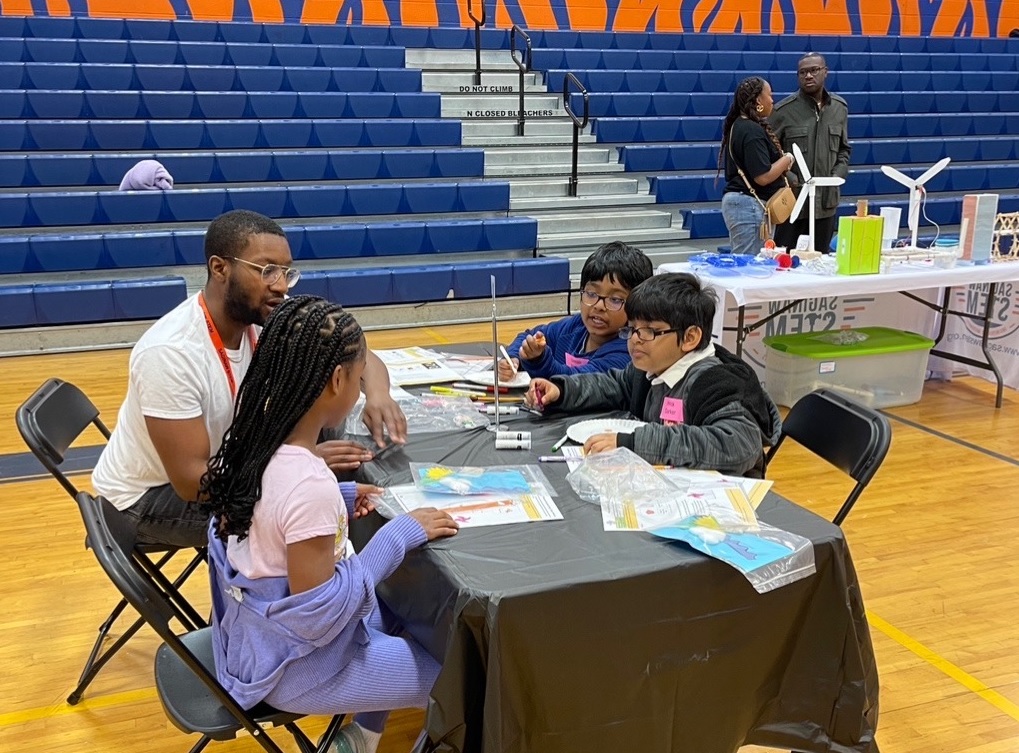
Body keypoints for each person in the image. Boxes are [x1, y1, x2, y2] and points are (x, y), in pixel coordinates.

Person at [200, 296, 458, 753]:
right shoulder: (307, 483)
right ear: (338, 380)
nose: (360, 392)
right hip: (298, 665)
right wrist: (395, 537)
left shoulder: (255, 442)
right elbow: (318, 614)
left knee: (405, 612)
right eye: (360, 380)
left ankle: (362, 738)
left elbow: (270, 518)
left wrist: (338, 499)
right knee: (464, 685)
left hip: (254, 639)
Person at [92, 210, 407, 548]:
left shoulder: (266, 311)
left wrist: (377, 394)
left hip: (230, 462)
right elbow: (192, 482)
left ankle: (339, 542)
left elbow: (353, 350)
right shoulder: (170, 353)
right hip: (149, 500)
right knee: (299, 506)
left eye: (287, 272)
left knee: (324, 419)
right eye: (267, 270)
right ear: (219, 268)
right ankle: (327, 580)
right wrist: (299, 462)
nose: (281, 285)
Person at [525, 273, 781, 478]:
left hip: (717, 506)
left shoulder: (715, 382)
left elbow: (739, 445)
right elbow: (612, 384)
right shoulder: (651, 368)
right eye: (633, 329)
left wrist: (633, 443)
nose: (636, 339)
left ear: (690, 338)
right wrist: (561, 391)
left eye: (650, 331)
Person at [498, 241, 653, 381]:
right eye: (592, 294)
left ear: (636, 305)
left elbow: (575, 382)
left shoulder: (628, 352)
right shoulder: (575, 326)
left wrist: (538, 359)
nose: (599, 306)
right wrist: (514, 358)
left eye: (615, 300)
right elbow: (529, 336)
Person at [770, 53, 851, 253]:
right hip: (793, 204)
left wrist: (836, 177)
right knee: (785, 261)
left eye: (814, 70)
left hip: (825, 202)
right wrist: (790, 177)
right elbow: (769, 153)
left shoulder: (839, 109)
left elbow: (844, 149)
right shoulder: (783, 111)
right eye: (803, 72)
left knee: (821, 261)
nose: (808, 76)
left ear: (825, 72)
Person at [719, 76, 796, 256]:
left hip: (746, 204)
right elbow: (762, 176)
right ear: (758, 100)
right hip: (750, 206)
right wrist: (787, 159)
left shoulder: (741, 126)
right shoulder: (750, 130)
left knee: (750, 262)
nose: (772, 100)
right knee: (749, 266)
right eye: (769, 95)